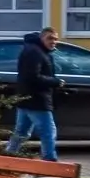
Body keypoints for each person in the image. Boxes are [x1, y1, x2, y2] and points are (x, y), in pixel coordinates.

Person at [7, 27, 64, 161]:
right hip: (37, 99)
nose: (53, 42)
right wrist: (55, 82)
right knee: (48, 132)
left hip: (26, 98)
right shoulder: (35, 53)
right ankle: (50, 160)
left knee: (21, 132)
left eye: (55, 39)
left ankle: (9, 155)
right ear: (41, 38)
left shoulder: (35, 50)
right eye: (50, 38)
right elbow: (32, 77)